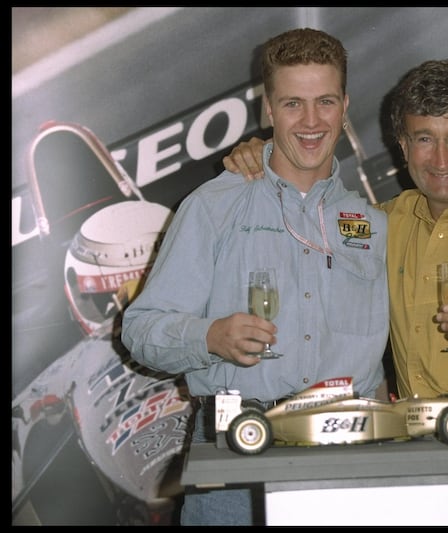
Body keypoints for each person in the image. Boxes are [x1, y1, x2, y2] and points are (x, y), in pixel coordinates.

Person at [224, 58, 448, 525]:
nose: (441, 160)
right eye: (424, 139)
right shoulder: (380, 225)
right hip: (423, 486)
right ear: (403, 147)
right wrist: (262, 155)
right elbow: (299, 220)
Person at [121, 28, 389, 526]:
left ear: (345, 104)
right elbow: (140, 330)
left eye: (325, 102)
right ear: (268, 108)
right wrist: (209, 336)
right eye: (293, 104)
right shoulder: (212, 207)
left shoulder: (374, 225)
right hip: (238, 454)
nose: (311, 122)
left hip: (350, 457)